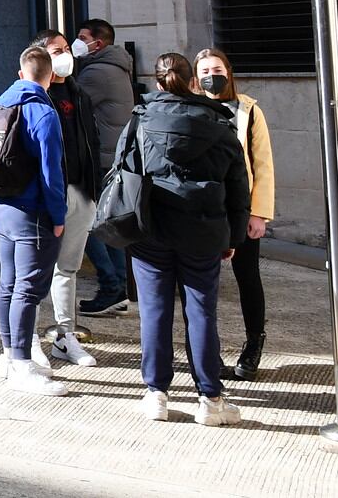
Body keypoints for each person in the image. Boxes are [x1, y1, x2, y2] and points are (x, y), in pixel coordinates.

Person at [127, 52, 248, 425]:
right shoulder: (218, 122)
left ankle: (156, 394)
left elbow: (124, 170)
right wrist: (233, 234)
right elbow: (238, 186)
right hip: (203, 229)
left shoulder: (142, 118)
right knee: (201, 312)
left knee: (154, 311)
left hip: (152, 229)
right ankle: (210, 398)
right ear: (192, 81)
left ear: (157, 80)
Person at [0, 42, 69, 396]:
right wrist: (58, 214)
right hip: (32, 211)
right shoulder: (44, 113)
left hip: (1, 206)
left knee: (8, 283)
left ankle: (9, 354)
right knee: (29, 288)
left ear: (21, 74)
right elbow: (53, 172)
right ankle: (22, 363)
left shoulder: (3, 104)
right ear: (50, 77)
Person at [195, 48, 275, 380]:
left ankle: (254, 342)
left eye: (216, 68)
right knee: (203, 282)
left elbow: (263, 165)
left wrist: (259, 214)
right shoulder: (192, 107)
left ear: (229, 71)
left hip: (239, 208)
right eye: (203, 71)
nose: (211, 75)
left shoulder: (249, 110)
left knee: (247, 277)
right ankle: (206, 351)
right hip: (203, 209)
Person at [35, 31, 104, 370]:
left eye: (66, 49)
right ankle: (28, 338)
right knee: (35, 269)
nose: (65, 55)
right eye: (56, 50)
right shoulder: (36, 97)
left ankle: (65, 335)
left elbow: (90, 142)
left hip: (80, 191)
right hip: (48, 196)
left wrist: (93, 191)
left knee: (68, 268)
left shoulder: (78, 94)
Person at [75, 17, 137, 317]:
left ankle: (110, 285)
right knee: (107, 222)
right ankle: (119, 288)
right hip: (112, 156)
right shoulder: (116, 66)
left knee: (86, 222)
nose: (77, 42)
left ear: (97, 43)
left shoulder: (96, 73)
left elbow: (71, 105)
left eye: (81, 36)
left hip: (99, 157)